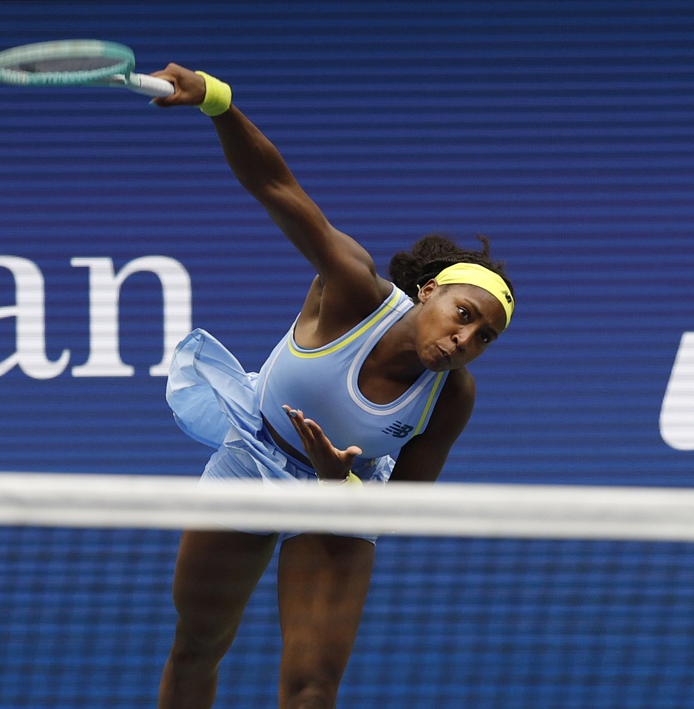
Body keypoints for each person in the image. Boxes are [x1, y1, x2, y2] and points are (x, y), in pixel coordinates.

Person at [149, 64, 514, 708]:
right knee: (198, 644)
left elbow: (401, 504)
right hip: (251, 462)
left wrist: (339, 484)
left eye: (485, 336)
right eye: (464, 314)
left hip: (343, 503)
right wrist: (217, 101)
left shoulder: (453, 396)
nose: (466, 339)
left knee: (313, 688)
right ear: (427, 293)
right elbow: (273, 184)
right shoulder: (352, 289)